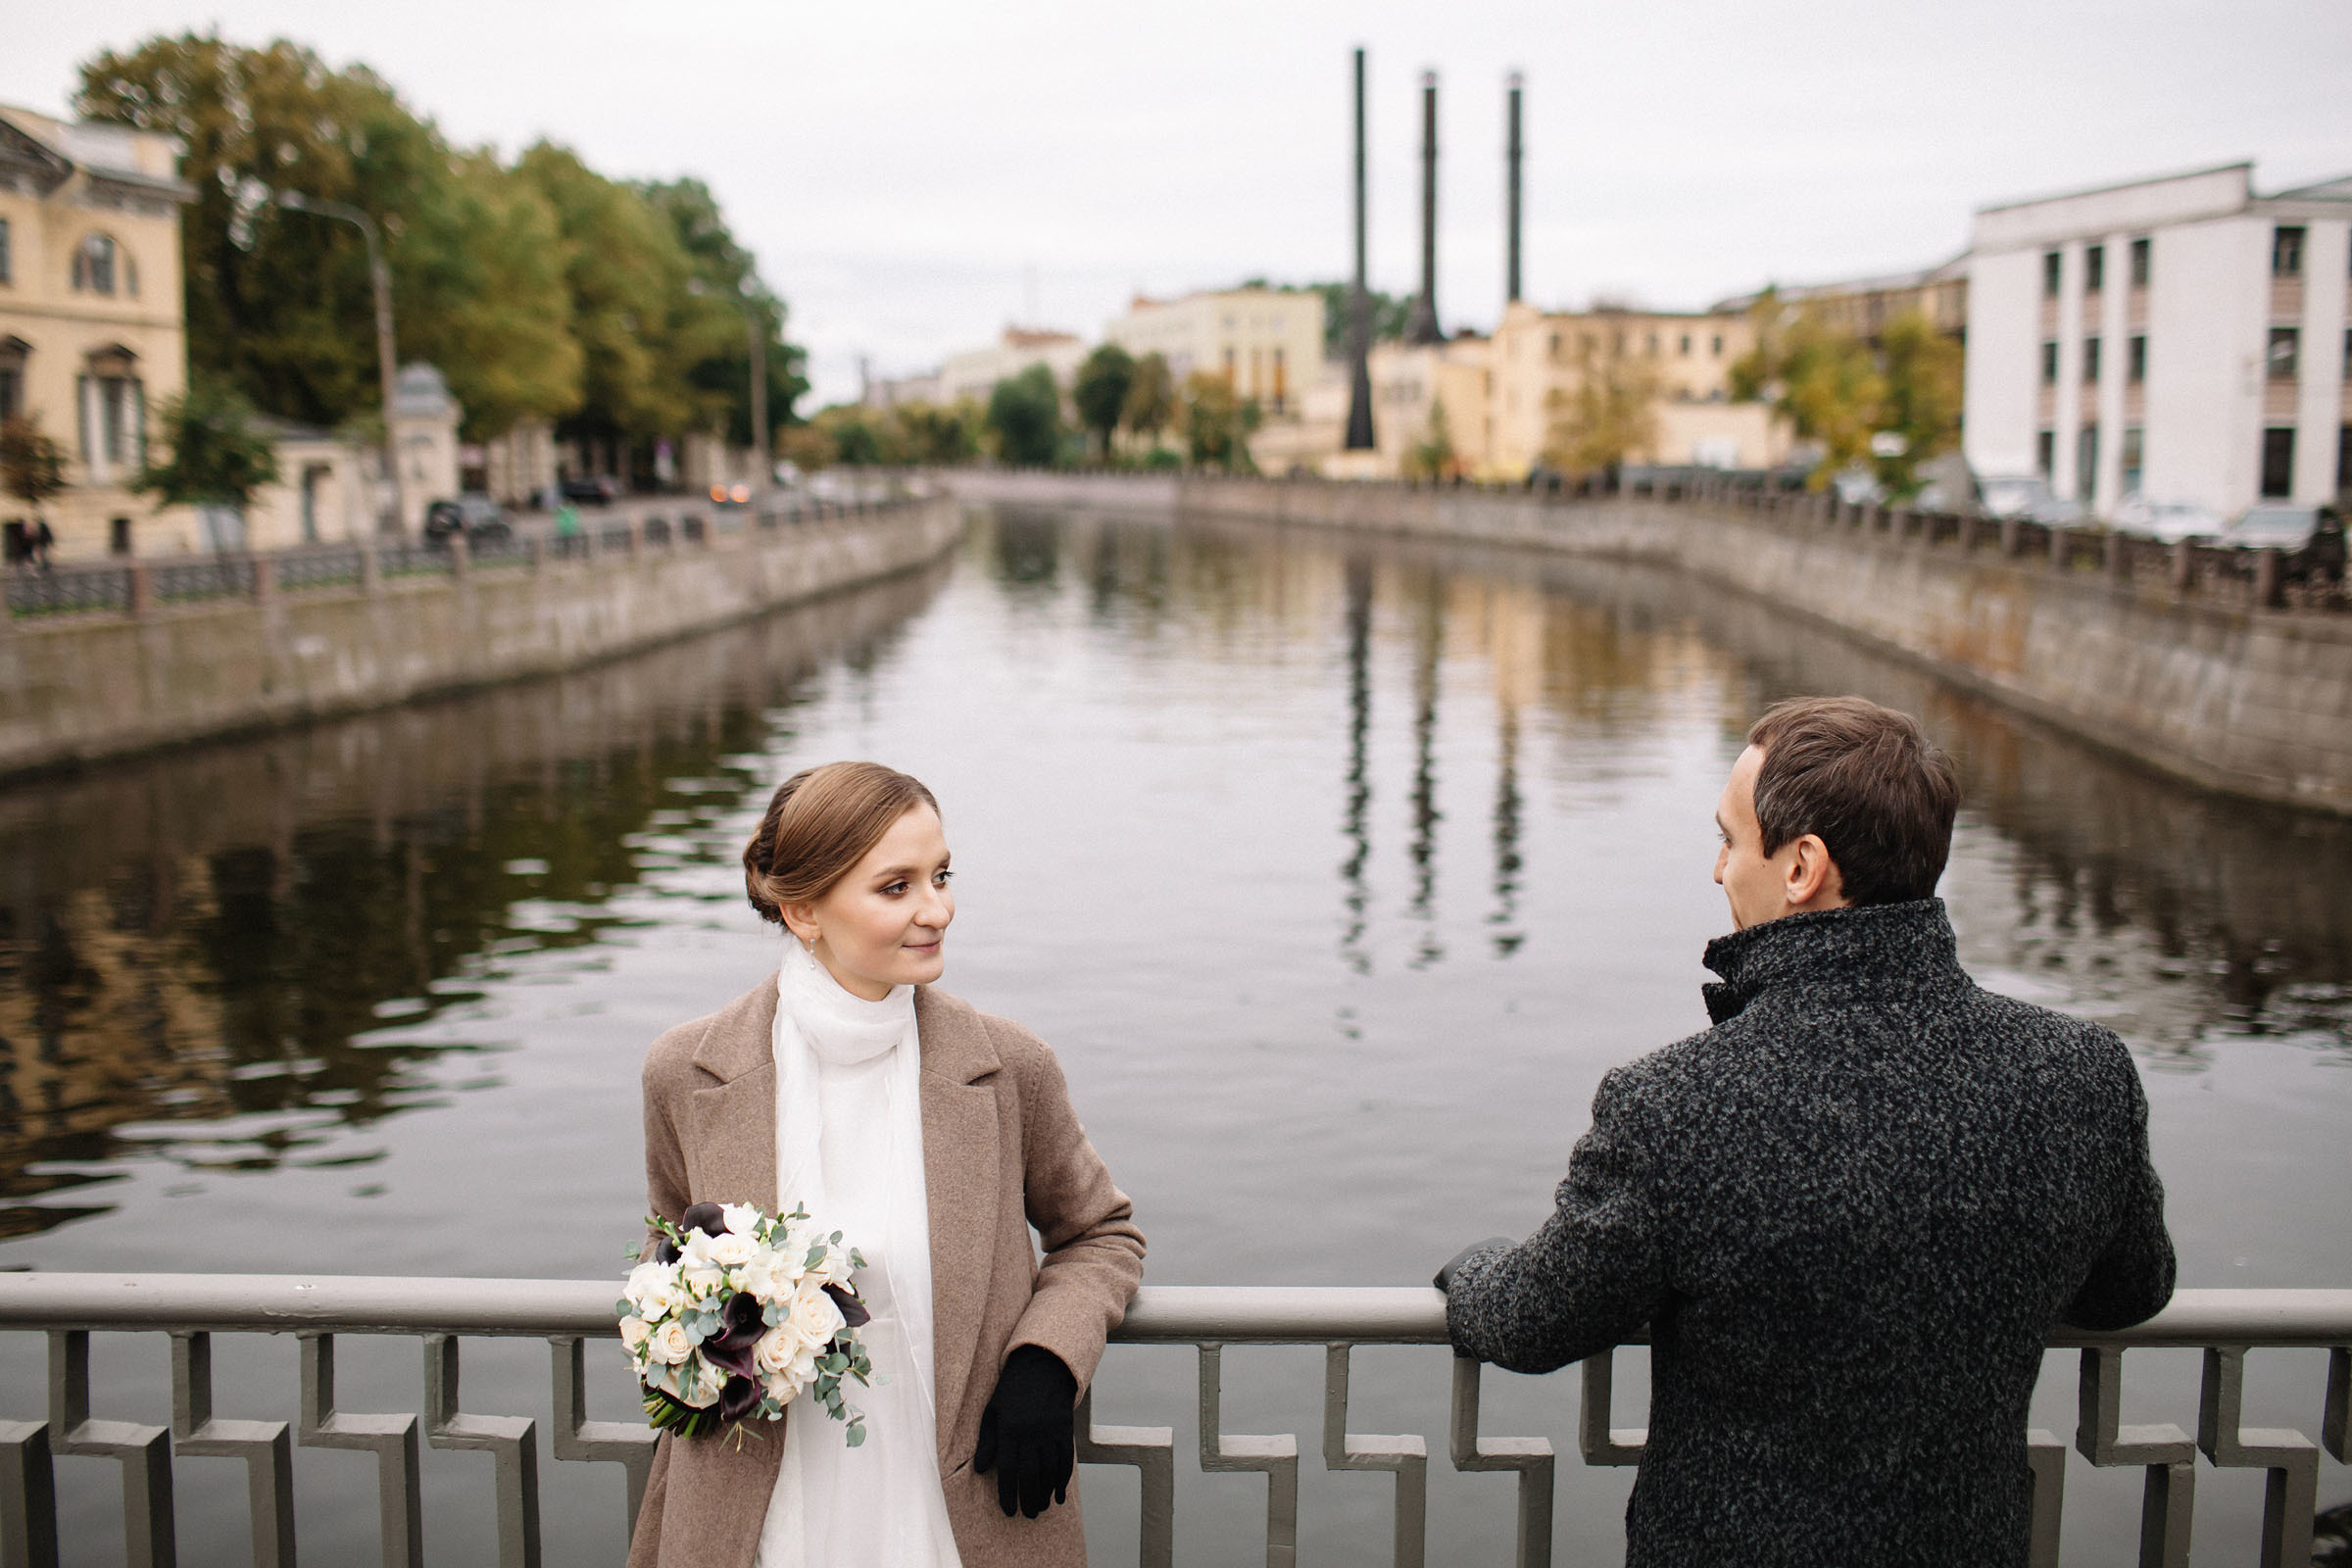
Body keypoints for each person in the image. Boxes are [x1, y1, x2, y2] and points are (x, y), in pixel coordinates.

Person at [1437, 696, 2175, 1568]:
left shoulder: (1673, 1104)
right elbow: (2131, 1290)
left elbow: (1535, 1321)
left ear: (1801, 868)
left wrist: (1469, 1269)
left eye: (1730, 839)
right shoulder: (2079, 1073)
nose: (1717, 870)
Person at [628, 761, 1144, 1568]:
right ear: (803, 909)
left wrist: (1047, 1361)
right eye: (895, 887)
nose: (936, 909)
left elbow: (1102, 1235)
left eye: (941, 876)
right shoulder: (686, 1073)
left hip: (962, 1500)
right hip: (757, 1502)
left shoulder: (1011, 1067)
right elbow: (666, 1254)